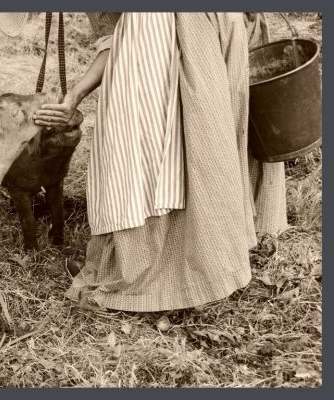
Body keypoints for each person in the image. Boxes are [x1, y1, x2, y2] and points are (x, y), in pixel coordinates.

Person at [33, 12, 288, 312]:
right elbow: (115, 38)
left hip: (161, 36)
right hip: (216, 27)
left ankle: (157, 278)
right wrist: (74, 94)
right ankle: (211, 265)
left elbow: (117, 37)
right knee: (206, 143)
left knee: (138, 151)